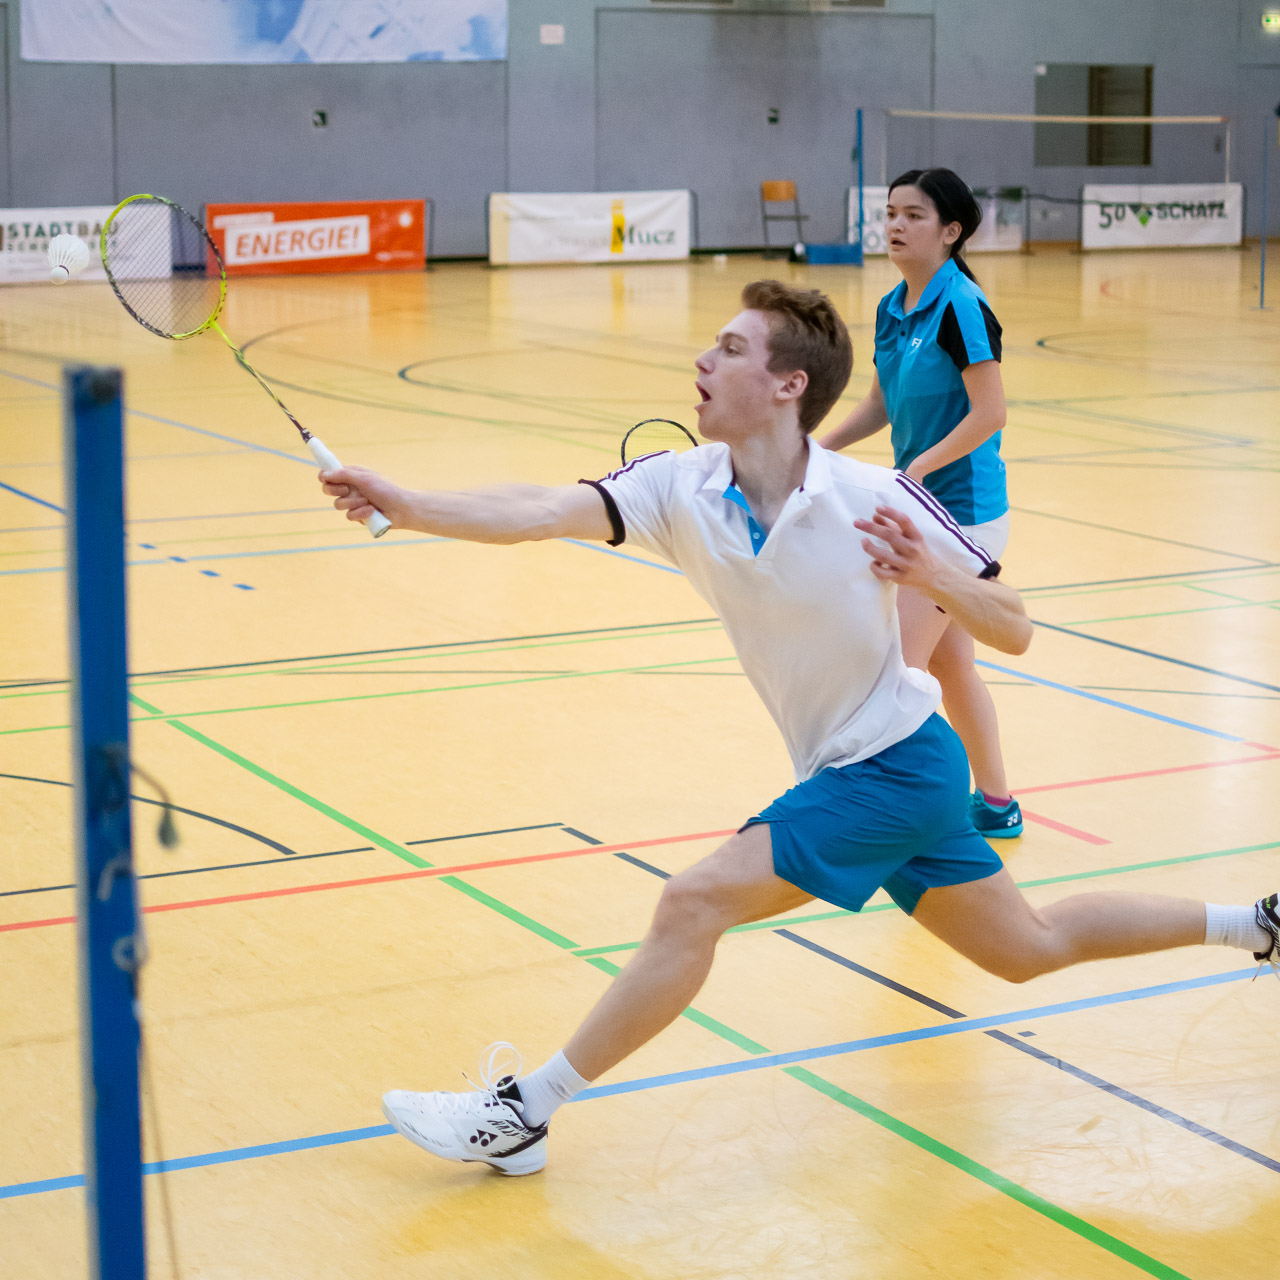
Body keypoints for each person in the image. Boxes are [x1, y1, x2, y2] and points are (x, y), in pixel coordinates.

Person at [320, 279, 1279, 1178]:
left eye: (731, 348)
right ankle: (1259, 925)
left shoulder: (874, 498)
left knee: (692, 904)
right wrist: (407, 505)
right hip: (874, 768)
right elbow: (537, 509)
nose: (704, 359)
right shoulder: (679, 486)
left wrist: (933, 576)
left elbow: (1016, 626)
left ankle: (525, 1112)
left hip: (892, 769)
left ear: (788, 385)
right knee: (1028, 946)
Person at [820, 169, 1021, 840]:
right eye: (891, 213)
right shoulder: (892, 306)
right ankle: (997, 804)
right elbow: (882, 403)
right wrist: (818, 448)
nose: (896, 226)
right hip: (922, 506)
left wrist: (919, 468)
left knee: (896, 671)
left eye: (913, 215)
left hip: (963, 518)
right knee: (950, 664)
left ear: (951, 230)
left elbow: (990, 412)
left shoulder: (962, 305)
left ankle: (899, 815)